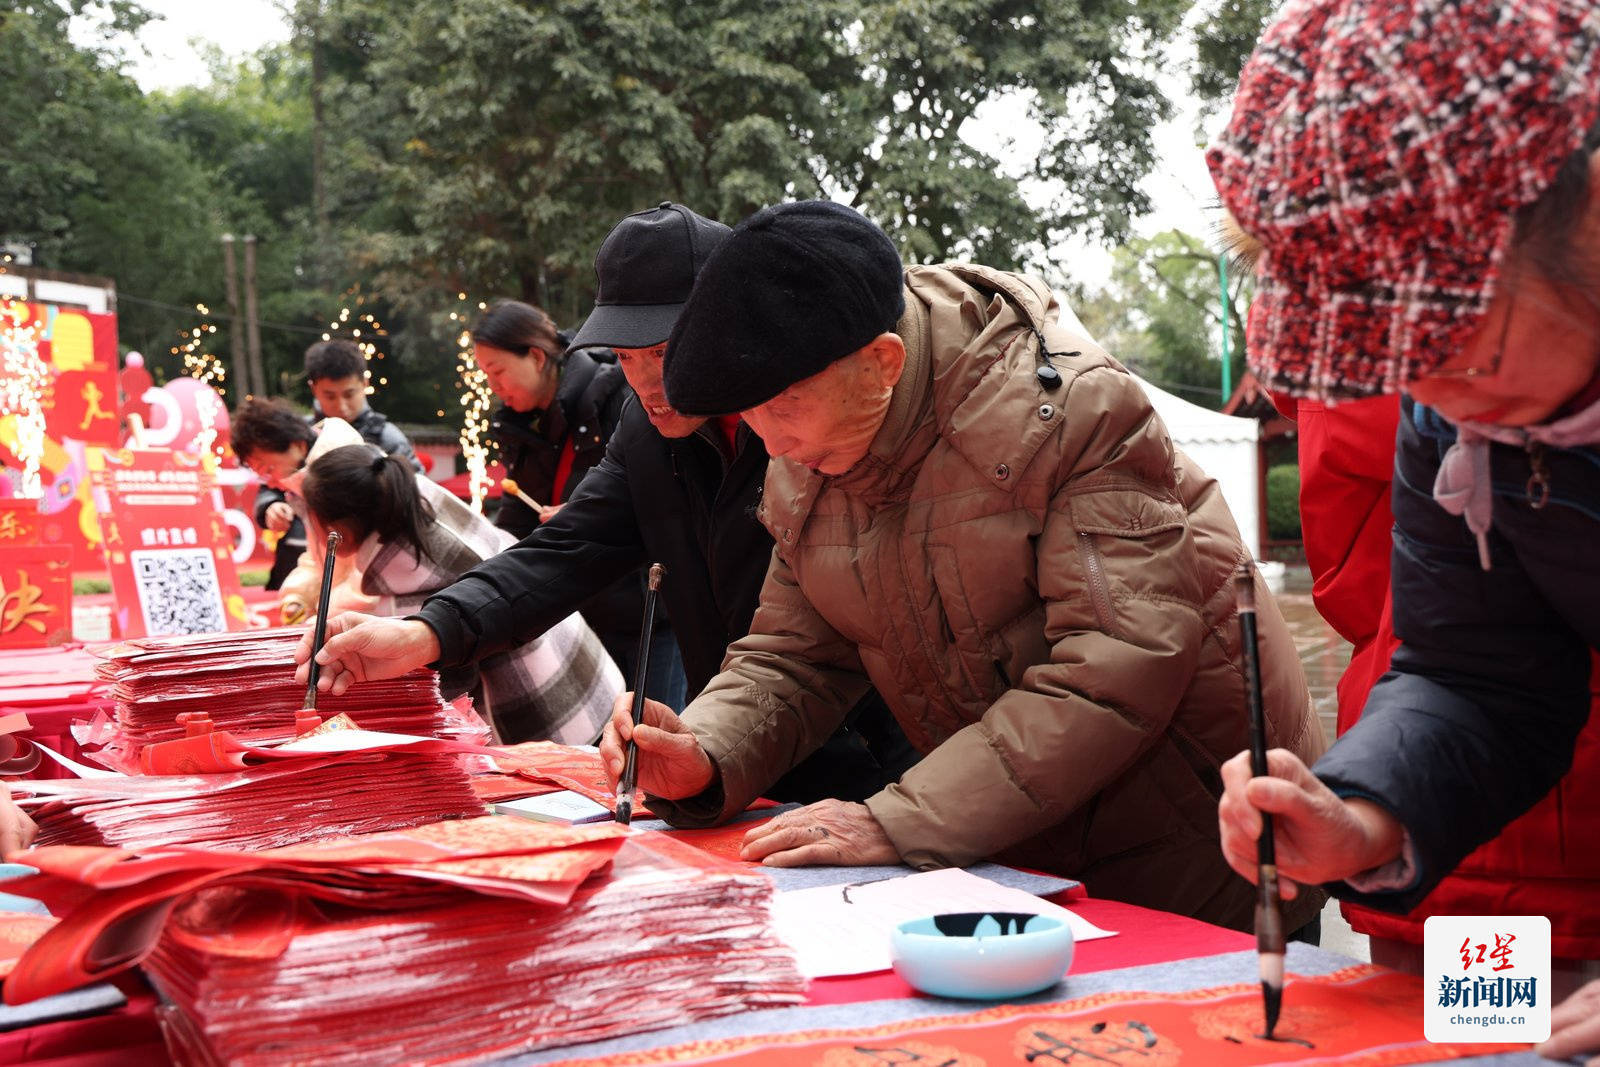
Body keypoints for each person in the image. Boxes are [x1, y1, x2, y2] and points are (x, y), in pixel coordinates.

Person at [602, 200, 1325, 933]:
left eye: (783, 408)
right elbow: (795, 653)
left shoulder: (1070, 413)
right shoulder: (815, 450)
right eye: (752, 418)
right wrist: (704, 749)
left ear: (882, 362)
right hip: (1019, 849)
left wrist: (900, 819)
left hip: (1205, 841)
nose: (773, 447)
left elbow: (1114, 669)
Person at [1207, 0, 1600, 1056]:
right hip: (1497, 877)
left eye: (1449, 336)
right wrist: (1361, 813)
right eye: (1379, 356)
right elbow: (1484, 669)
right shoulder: (1455, 412)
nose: (1423, 390)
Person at [297, 201, 914, 803]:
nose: (648, 386)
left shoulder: (819, 424)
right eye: (625, 357)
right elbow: (562, 552)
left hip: (880, 761)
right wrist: (427, 630)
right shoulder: (645, 436)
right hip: (735, 749)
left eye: (667, 354)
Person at [1290, 392, 1600, 993]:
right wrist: (1368, 818)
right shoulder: (1444, 395)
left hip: (1502, 789)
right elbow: (1477, 661)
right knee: (1482, 1047)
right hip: (1459, 773)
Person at [300, 444, 618, 745]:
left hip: (557, 720)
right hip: (585, 673)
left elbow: (447, 707)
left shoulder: (414, 581)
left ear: (335, 527)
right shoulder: (424, 507)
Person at [471, 299, 684, 708]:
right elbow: (514, 525)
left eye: (497, 371)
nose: (492, 386)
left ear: (535, 356)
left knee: (650, 736)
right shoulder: (518, 428)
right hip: (579, 612)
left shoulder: (617, 397)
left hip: (648, 613)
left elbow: (657, 500)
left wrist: (584, 513)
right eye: (485, 375)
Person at [231, 398, 371, 624]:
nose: (272, 482)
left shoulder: (345, 479)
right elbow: (321, 557)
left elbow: (371, 572)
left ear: (298, 445)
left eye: (269, 469)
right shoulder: (314, 483)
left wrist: (326, 618)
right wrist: (298, 595)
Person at [303, 339, 421, 470]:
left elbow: (415, 488)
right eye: (330, 397)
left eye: (349, 395)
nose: (341, 406)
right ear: (313, 389)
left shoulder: (387, 439)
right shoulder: (302, 434)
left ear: (365, 383)